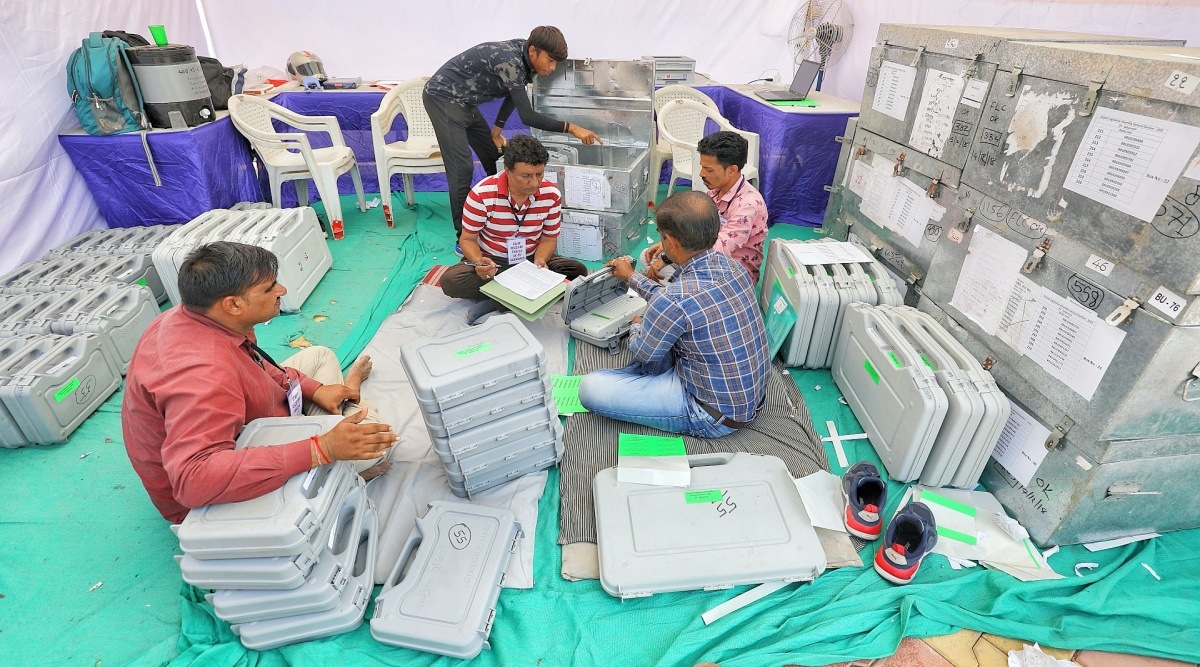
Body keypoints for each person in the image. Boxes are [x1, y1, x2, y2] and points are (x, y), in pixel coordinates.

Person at [121, 242, 398, 523]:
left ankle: (334, 408)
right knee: (375, 444)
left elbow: (254, 362)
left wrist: (314, 389)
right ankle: (342, 436)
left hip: (243, 415)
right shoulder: (203, 375)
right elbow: (192, 480)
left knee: (320, 356)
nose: (282, 291)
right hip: (206, 492)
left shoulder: (192, 316)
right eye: (269, 288)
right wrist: (320, 449)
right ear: (233, 305)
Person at [578, 191, 770, 437]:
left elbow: (644, 352)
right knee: (665, 332)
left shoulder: (673, 299)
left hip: (710, 415)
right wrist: (631, 277)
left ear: (670, 241)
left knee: (591, 388)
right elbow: (676, 304)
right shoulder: (735, 267)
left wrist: (637, 325)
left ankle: (644, 385)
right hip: (747, 400)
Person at [423, 25, 602, 237]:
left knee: (495, 158)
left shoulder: (525, 56)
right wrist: (571, 127)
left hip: (465, 101)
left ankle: (497, 216)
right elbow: (527, 116)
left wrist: (496, 131)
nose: (553, 68)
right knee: (462, 168)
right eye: (550, 60)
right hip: (442, 97)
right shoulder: (511, 61)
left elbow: (512, 93)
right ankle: (464, 235)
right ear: (533, 51)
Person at [440, 134, 587, 301]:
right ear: (508, 171)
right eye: (526, 176)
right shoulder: (482, 194)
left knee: (577, 271)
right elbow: (467, 239)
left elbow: (549, 239)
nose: (535, 183)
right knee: (450, 281)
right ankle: (519, 292)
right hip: (493, 261)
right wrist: (480, 262)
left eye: (539, 174)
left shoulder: (551, 194)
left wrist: (540, 260)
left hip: (531, 260)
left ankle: (502, 294)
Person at [644, 130, 768, 283]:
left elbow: (719, 249)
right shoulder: (715, 191)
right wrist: (667, 244)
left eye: (709, 170)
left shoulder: (748, 205)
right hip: (708, 259)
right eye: (702, 167)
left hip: (732, 273)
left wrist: (668, 257)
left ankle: (674, 290)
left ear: (732, 170)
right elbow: (696, 230)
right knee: (648, 257)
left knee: (660, 268)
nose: (701, 173)